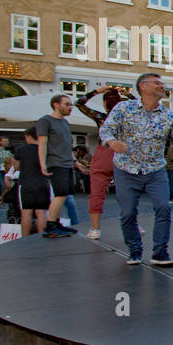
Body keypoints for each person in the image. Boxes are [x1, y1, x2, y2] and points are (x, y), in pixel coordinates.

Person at [97, 73, 173, 266]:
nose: (162, 86)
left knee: (163, 207)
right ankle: (134, 251)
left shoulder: (169, 115)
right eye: (157, 83)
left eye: (162, 83)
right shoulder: (124, 108)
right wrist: (111, 141)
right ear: (143, 86)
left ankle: (160, 253)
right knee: (127, 213)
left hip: (155, 170)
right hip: (126, 169)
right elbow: (105, 129)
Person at [76, 86, 132, 238]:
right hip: (122, 154)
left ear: (105, 104)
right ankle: (133, 225)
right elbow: (141, 107)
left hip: (103, 154)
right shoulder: (128, 117)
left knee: (96, 194)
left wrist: (96, 91)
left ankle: (95, 229)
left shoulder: (101, 117)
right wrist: (129, 94)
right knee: (127, 192)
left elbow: (79, 103)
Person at [34, 95, 78, 237]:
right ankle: (50, 226)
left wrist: (75, 162)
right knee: (60, 194)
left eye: (71, 104)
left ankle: (57, 223)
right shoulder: (45, 121)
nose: (70, 107)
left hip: (67, 163)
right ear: (56, 105)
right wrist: (43, 164)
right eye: (67, 104)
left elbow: (68, 145)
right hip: (56, 163)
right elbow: (42, 144)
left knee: (64, 195)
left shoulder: (65, 122)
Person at [11, 127, 51, 235]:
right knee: (42, 212)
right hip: (43, 182)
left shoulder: (21, 149)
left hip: (26, 183)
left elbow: (16, 165)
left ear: (29, 136)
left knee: (26, 213)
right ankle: (42, 236)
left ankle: (25, 238)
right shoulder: (46, 149)